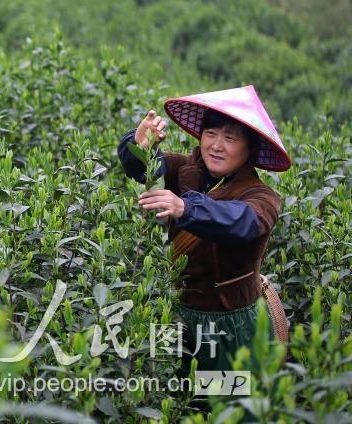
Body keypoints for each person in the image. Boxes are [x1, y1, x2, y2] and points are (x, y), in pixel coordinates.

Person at [117, 85, 291, 374]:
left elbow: (242, 221)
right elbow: (145, 167)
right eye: (210, 134)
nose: (216, 145)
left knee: (225, 407)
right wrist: (140, 145)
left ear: (250, 148)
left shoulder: (261, 196)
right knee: (184, 403)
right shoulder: (187, 169)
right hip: (181, 318)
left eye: (230, 137)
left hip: (228, 326)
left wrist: (187, 208)